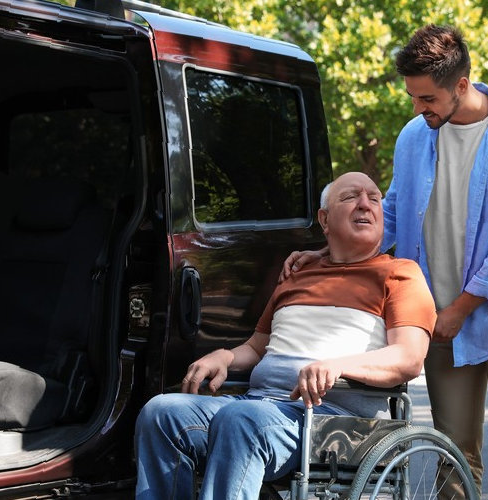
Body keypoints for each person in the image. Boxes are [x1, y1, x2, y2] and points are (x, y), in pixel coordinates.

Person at [285, 24, 488, 500]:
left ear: (462, 86)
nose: (417, 108)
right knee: (454, 449)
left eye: (427, 98)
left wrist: (460, 309)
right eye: (413, 97)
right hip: (438, 316)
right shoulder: (415, 135)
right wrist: (328, 253)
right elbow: (392, 211)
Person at [135, 172, 436, 500]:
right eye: (350, 197)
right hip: (259, 406)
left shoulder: (400, 273)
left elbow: (408, 358)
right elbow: (257, 346)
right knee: (162, 413)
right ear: (324, 219)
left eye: (374, 198)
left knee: (241, 420)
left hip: (335, 420)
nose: (365, 204)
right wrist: (225, 356)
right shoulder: (297, 275)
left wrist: (337, 366)